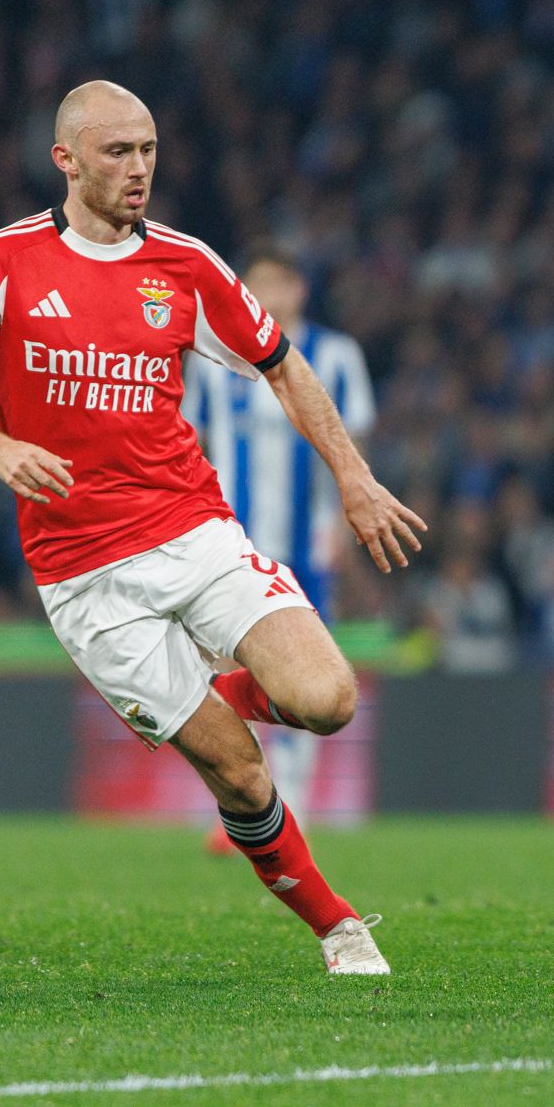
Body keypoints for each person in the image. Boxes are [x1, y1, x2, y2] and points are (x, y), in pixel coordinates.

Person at [0, 81, 426, 976]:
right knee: (236, 772)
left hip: (194, 530)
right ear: (66, 161)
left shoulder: (186, 266)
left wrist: (355, 478)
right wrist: (0, 451)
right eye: (118, 152)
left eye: (149, 150)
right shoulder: (3, 261)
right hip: (83, 575)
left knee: (328, 701)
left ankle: (215, 701)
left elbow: (283, 365)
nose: (140, 169)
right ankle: (338, 926)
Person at [184, 248, 377, 830]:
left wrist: (347, 519)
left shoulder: (337, 356)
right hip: (229, 537)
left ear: (299, 289)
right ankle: (247, 792)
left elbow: (353, 440)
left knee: (308, 663)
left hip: (309, 538)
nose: (267, 295)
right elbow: (190, 437)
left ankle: (295, 794)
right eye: (256, 283)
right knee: (224, 662)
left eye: (278, 283)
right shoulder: (213, 356)